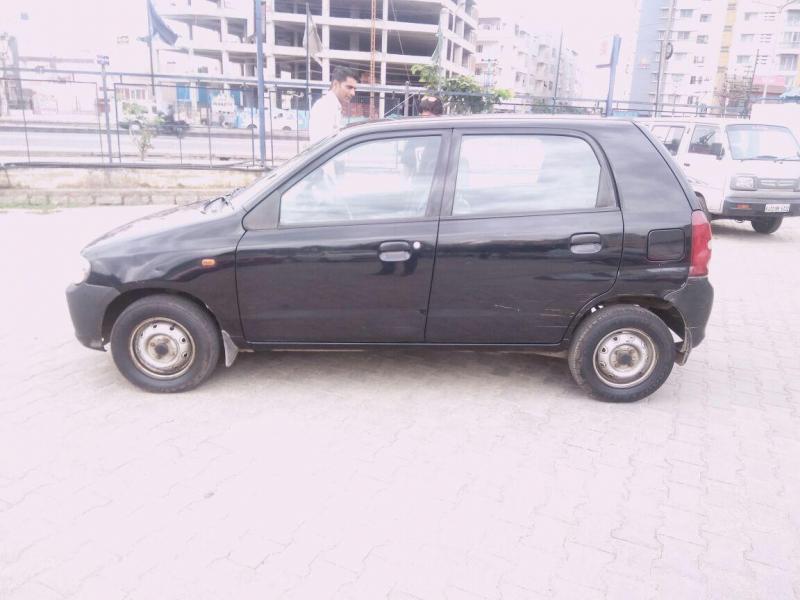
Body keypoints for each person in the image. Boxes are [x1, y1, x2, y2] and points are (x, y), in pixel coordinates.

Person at [309, 66, 358, 143]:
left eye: (354, 89)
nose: (353, 93)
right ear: (335, 84)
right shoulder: (325, 107)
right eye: (349, 87)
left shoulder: (333, 106)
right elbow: (323, 146)